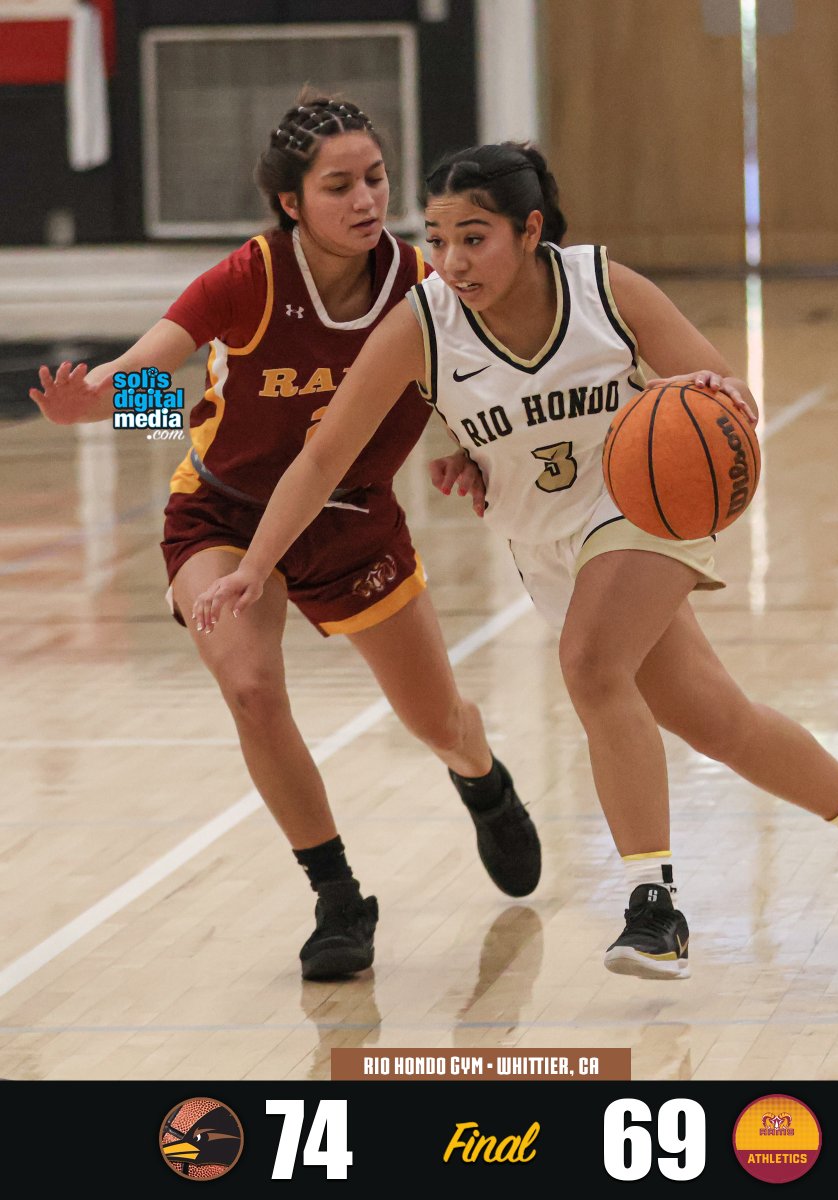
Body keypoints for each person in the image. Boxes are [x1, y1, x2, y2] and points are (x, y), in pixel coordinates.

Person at [191, 140, 838, 980]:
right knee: (715, 721)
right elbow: (284, 433)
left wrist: (712, 403)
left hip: (639, 505)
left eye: (470, 236)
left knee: (589, 667)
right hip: (460, 524)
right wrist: (124, 407)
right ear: (291, 204)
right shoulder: (265, 283)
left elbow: (727, 391)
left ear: (529, 231)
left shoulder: (598, 290)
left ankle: (652, 905)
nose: (445, 256)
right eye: (436, 237)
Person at [27, 103, 541, 982]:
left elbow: (477, 379)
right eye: (338, 185)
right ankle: (337, 894)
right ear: (290, 204)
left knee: (435, 720)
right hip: (223, 516)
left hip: (350, 520)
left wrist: (466, 448)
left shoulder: (424, 283)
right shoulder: (248, 278)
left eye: (376, 177)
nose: (366, 198)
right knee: (252, 690)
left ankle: (480, 774)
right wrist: (99, 399)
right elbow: (168, 395)